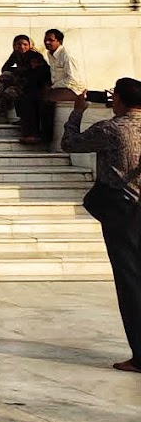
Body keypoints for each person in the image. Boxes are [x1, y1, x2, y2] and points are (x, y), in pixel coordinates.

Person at [63, 78, 141, 373]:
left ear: (118, 99)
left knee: (130, 281)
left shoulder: (112, 128)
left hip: (123, 210)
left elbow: (69, 143)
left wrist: (78, 111)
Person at [31, 27, 86, 145]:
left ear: (59, 41)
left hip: (74, 89)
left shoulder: (67, 56)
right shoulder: (50, 54)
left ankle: (45, 138)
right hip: (60, 87)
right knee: (34, 96)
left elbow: (73, 79)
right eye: (46, 40)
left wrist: (53, 87)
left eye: (51, 40)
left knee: (46, 100)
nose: (47, 42)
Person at [0, 34, 50, 135]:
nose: (22, 47)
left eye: (25, 44)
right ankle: (6, 108)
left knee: (10, 92)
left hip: (34, 84)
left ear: (29, 45)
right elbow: (5, 68)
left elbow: (38, 73)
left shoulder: (34, 56)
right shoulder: (16, 54)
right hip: (21, 81)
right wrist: (16, 71)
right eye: (19, 44)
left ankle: (2, 109)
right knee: (4, 78)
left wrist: (22, 72)